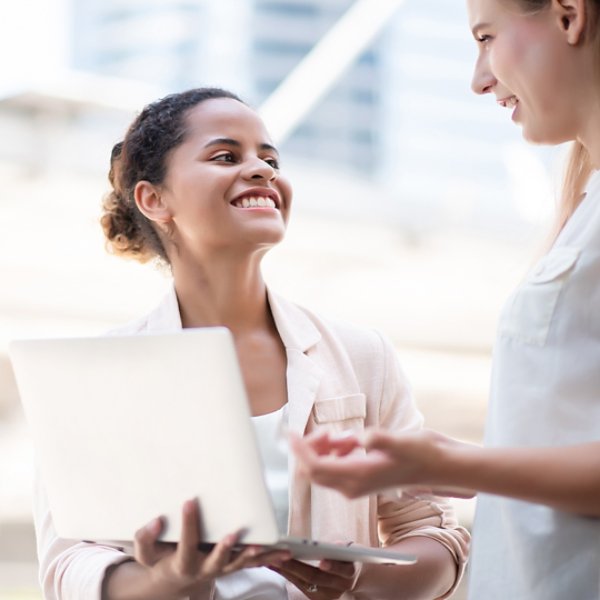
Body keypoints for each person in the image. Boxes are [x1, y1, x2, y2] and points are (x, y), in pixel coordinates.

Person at [32, 87, 469, 600]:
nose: (262, 170)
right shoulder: (97, 375)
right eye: (225, 156)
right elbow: (70, 564)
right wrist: (168, 581)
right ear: (155, 200)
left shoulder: (361, 356)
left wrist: (362, 576)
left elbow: (437, 536)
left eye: (270, 158)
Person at [291, 1, 600, 599]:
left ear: (568, 16)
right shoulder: (582, 207)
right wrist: (449, 458)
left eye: (487, 37)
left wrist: (446, 464)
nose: (479, 78)